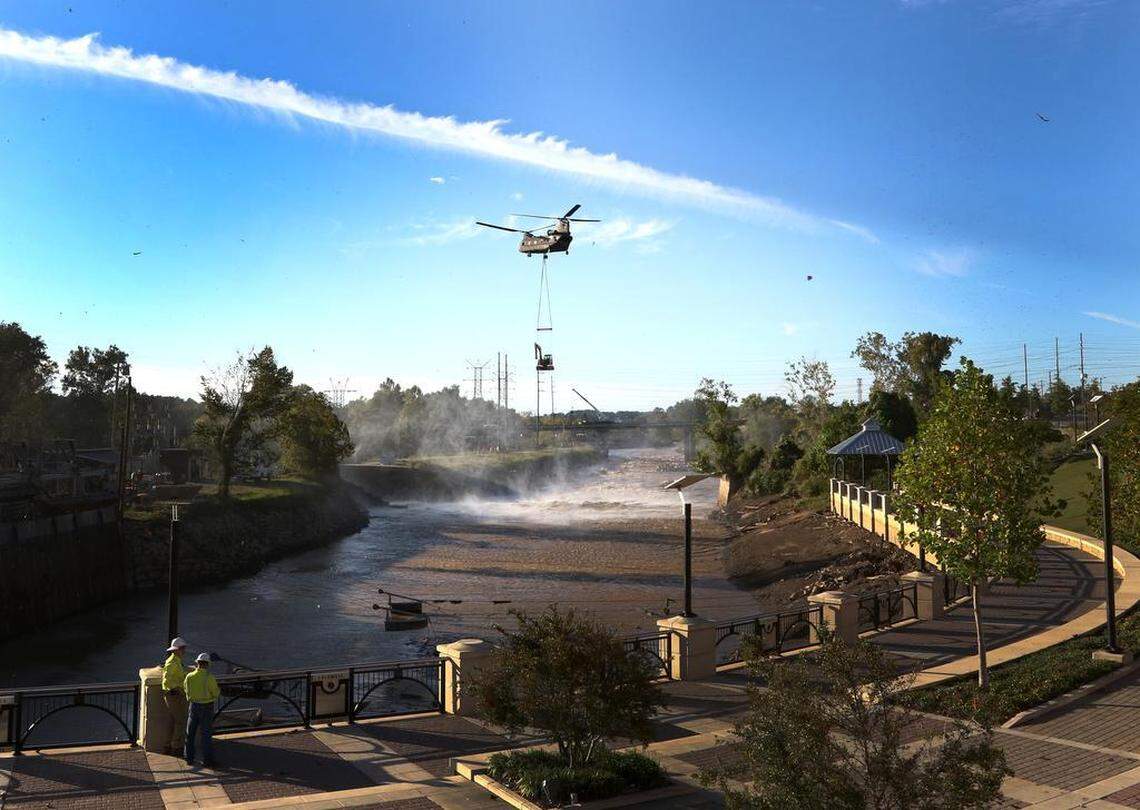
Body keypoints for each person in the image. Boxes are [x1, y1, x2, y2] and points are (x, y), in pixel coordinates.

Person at [184, 652, 220, 767]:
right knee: (206, 735)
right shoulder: (209, 678)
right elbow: (215, 692)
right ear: (208, 664)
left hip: (193, 706)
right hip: (207, 706)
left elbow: (186, 690)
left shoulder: (189, 677)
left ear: (197, 663)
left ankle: (189, 758)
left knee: (190, 733)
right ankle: (207, 760)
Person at [160, 637, 188, 755]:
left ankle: (167, 746)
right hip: (174, 695)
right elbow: (167, 681)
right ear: (177, 650)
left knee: (172, 721)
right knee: (180, 721)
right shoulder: (173, 662)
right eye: (182, 648)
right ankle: (176, 748)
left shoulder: (175, 661)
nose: (184, 651)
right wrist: (177, 689)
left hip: (173, 695)